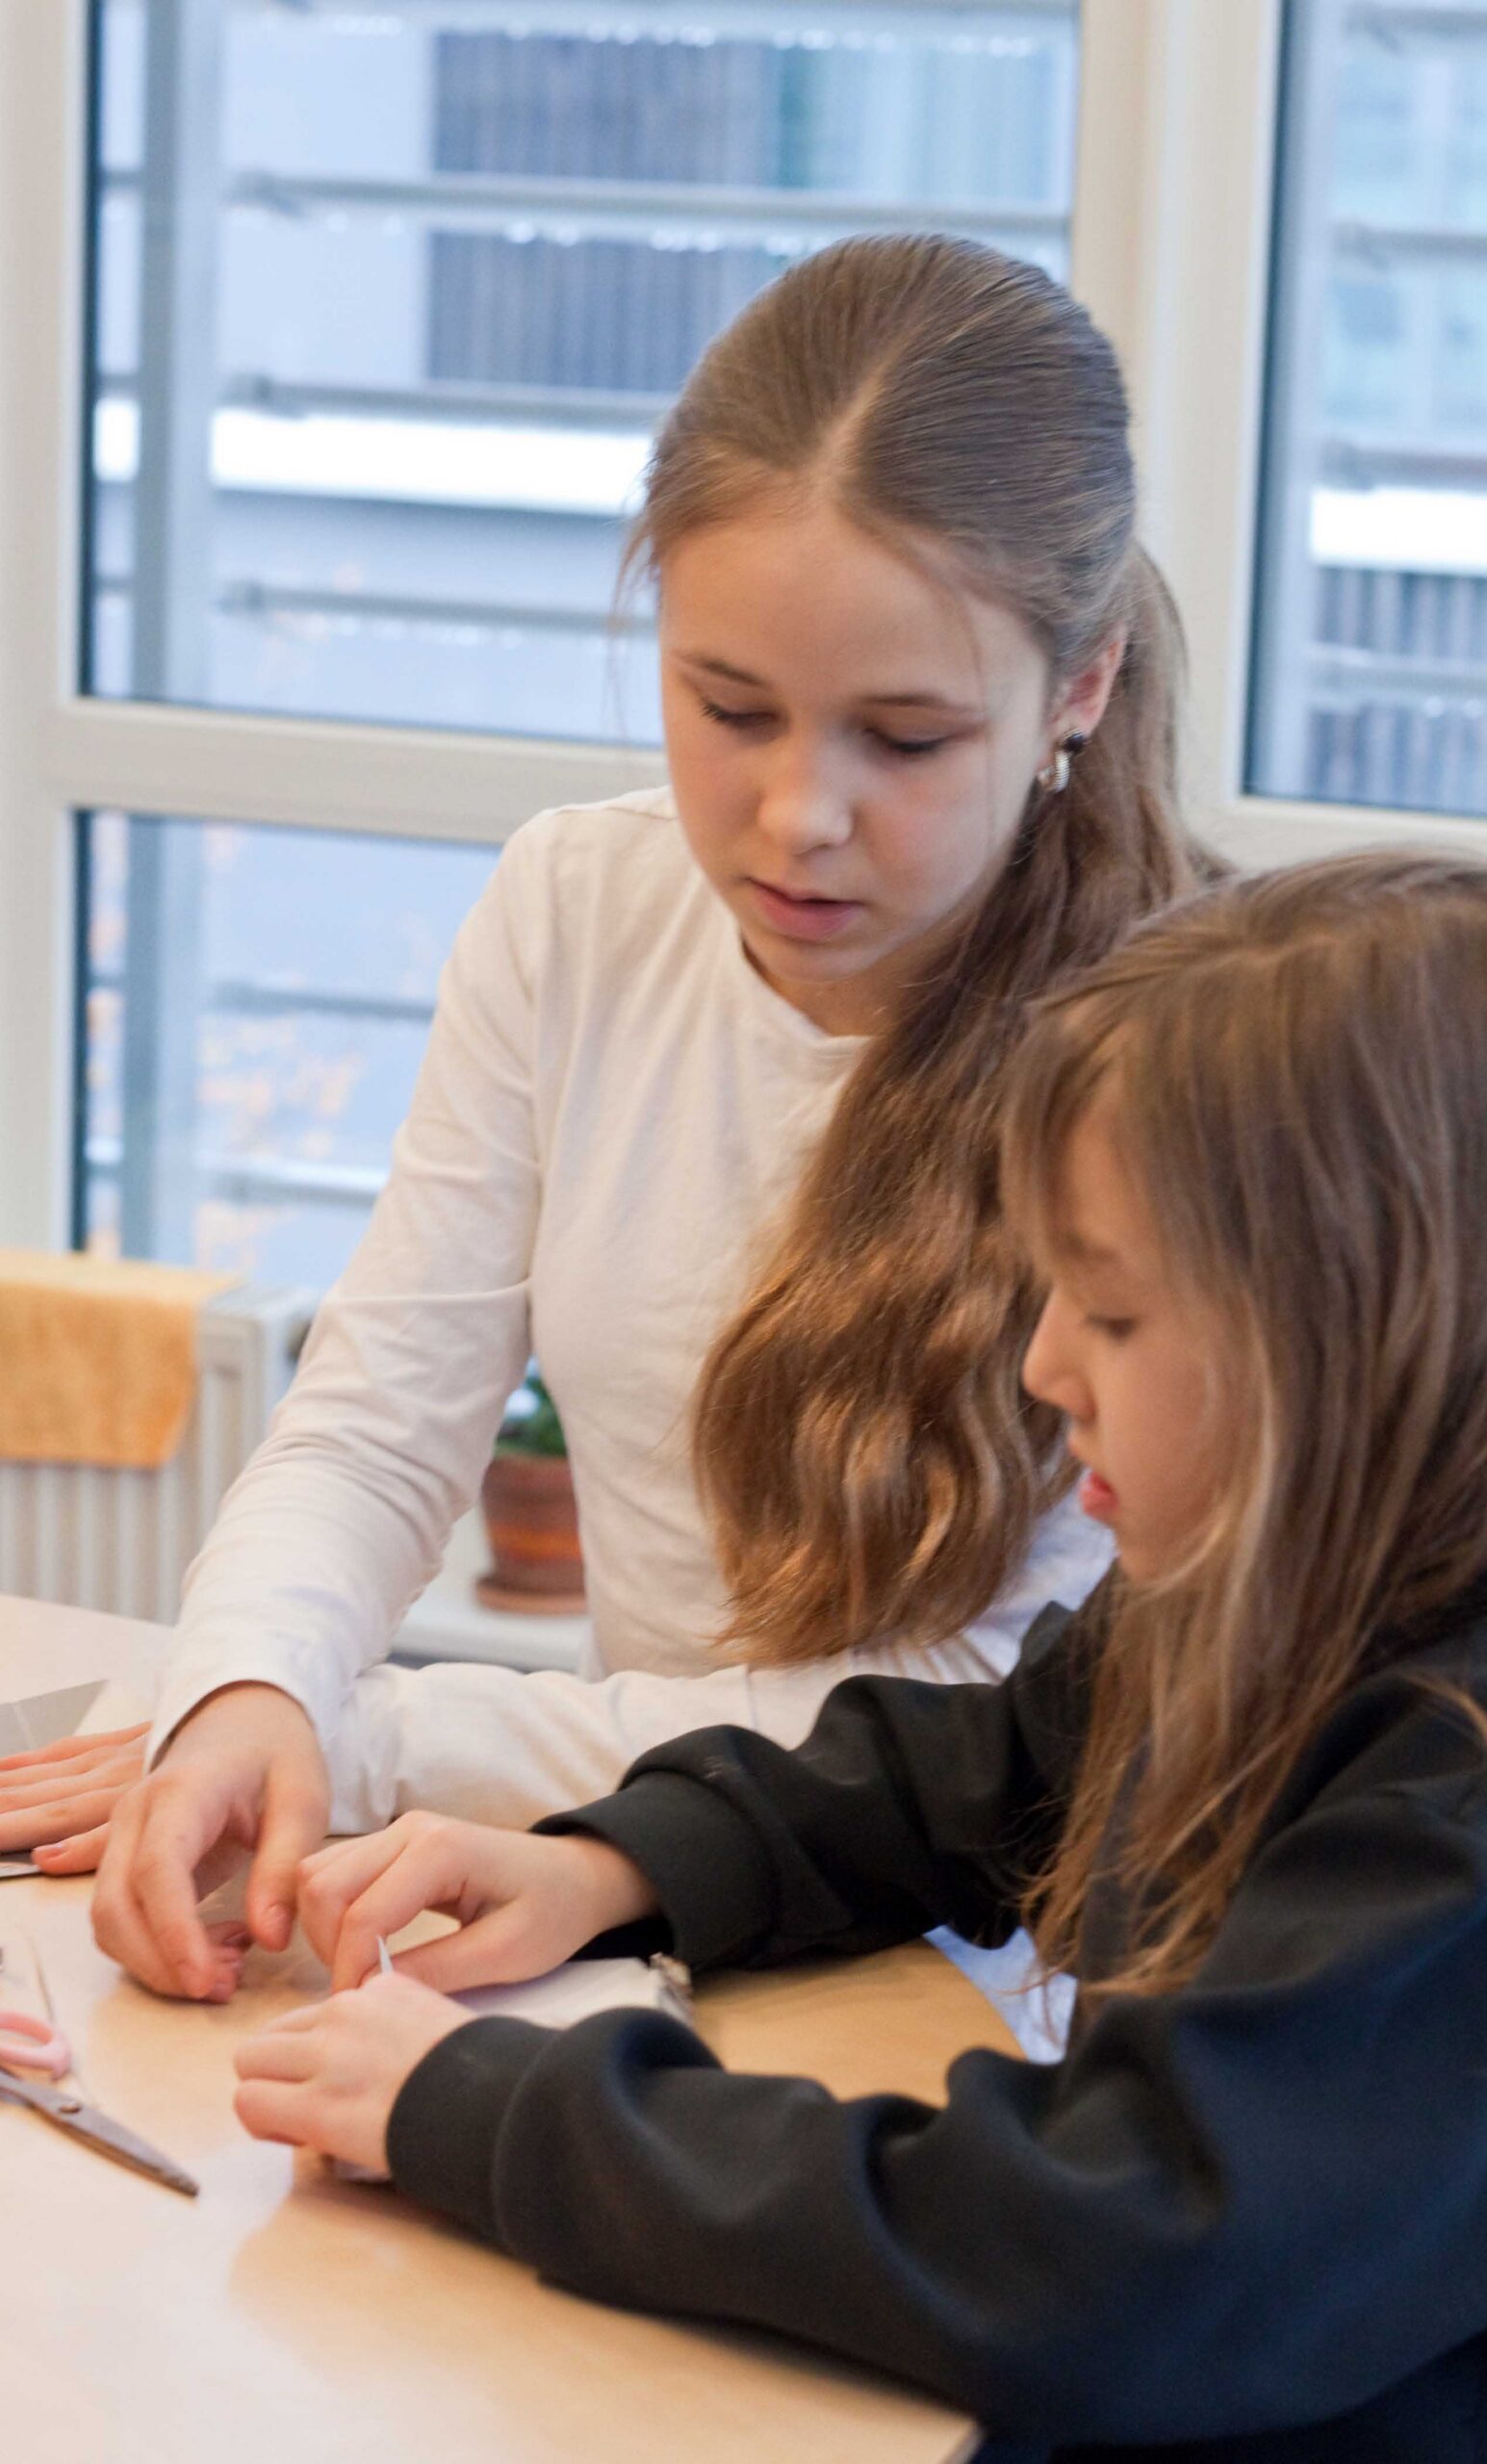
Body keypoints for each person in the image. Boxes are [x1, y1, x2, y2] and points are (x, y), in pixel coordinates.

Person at [236, 851, 1487, 2463]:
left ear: (1362, 1348)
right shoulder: (1270, 1582)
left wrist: (498, 2109)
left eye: (1112, 1314)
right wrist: (615, 1865)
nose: (1043, 1366)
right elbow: (970, 1772)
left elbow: (1111, 2259)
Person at [4, 233, 1207, 2002]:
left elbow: (980, 1732)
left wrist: (378, 1738)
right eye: (728, 708)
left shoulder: (1191, 1055)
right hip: (602, 1895)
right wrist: (250, 1684)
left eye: (904, 739)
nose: (796, 816)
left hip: (960, 1991)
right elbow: (379, 1423)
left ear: (1078, 688)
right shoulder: (578, 902)